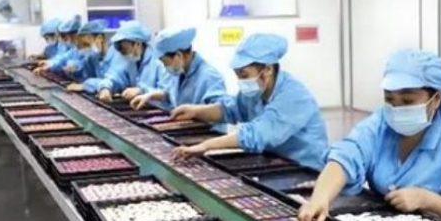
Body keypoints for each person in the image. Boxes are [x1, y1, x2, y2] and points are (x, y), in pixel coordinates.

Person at [297, 49, 441, 221]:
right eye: (389, 99)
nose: (396, 109)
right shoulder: (382, 123)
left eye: (408, 100)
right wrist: (320, 198)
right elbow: (347, 155)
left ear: (435, 99)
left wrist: (429, 200)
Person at [170, 33, 328, 169]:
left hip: (306, 170)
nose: (241, 81)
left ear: (267, 70)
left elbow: (257, 134)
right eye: (237, 75)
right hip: (275, 163)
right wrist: (196, 111)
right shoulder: (256, 92)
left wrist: (206, 145)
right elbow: (230, 110)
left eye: (244, 75)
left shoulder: (294, 97)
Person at [130, 27, 226, 111]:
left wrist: (195, 112)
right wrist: (149, 95)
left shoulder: (210, 77)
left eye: (165, 62)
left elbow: (220, 111)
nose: (164, 66)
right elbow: (170, 94)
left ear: (178, 56)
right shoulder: (179, 72)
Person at [79, 21, 167, 104]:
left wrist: (142, 90)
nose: (123, 54)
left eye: (125, 49)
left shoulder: (159, 62)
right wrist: (105, 87)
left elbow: (167, 93)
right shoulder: (130, 62)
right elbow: (115, 76)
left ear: (137, 44)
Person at [63, 19, 121, 88]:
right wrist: (75, 68)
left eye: (87, 44)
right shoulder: (94, 57)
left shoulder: (116, 55)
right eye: (82, 45)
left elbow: (112, 82)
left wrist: (85, 86)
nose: (86, 49)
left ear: (100, 38)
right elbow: (85, 73)